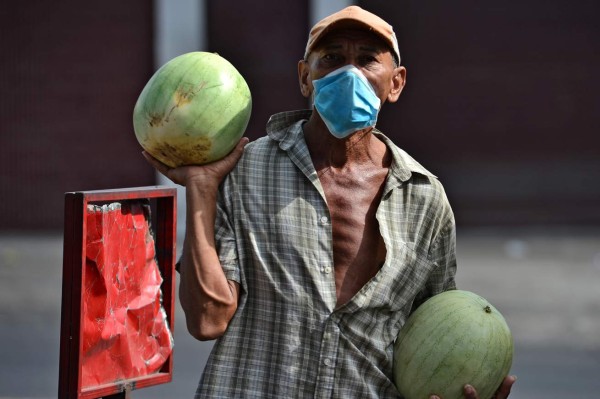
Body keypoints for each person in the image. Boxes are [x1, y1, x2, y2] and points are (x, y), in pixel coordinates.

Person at [144, 5, 516, 399]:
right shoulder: (246, 172)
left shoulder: (425, 199)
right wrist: (201, 189)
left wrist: (460, 383)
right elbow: (207, 320)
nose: (349, 73)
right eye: (333, 58)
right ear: (306, 77)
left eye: (368, 59)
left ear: (396, 83)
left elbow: (434, 340)